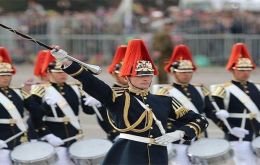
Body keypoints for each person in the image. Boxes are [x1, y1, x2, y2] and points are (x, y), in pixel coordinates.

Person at [50, 39, 208, 165]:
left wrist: (180, 133)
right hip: (129, 154)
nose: (145, 79)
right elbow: (92, 82)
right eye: (139, 75)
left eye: (148, 75)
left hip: (158, 156)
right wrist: (66, 62)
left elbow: (200, 120)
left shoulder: (165, 101)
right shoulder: (117, 98)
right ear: (127, 77)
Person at [27, 50, 98, 164]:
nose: (63, 75)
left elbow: (88, 111)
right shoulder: (40, 89)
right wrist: (47, 135)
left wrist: (97, 103)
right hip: (55, 139)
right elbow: (34, 116)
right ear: (49, 72)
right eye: (58, 72)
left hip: (75, 137)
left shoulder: (76, 88)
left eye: (64, 72)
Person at [156, 44, 214, 164]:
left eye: (189, 71)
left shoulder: (201, 89)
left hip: (201, 136)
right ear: (173, 72)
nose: (186, 74)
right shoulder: (165, 92)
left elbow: (210, 111)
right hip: (178, 138)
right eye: (182, 72)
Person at [210, 43, 260, 165]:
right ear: (233, 69)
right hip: (237, 136)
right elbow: (214, 113)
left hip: (257, 135)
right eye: (241, 70)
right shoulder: (222, 89)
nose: (245, 73)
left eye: (248, 69)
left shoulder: (257, 87)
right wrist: (230, 129)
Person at [0, 47, 32, 164]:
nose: (6, 78)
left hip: (18, 140)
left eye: (8, 75)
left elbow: (36, 112)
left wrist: (29, 95)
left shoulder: (18, 92)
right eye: (2, 75)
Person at [95, 45, 128, 142]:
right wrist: (115, 134)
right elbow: (103, 118)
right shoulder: (109, 93)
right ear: (114, 73)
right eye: (122, 74)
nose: (126, 76)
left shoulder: (139, 91)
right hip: (118, 138)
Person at [152, 19, 174, 84]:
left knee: (163, 70)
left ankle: (162, 84)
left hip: (164, 54)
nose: (170, 27)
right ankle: (163, 84)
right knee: (163, 71)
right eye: (168, 25)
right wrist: (159, 50)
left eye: (170, 25)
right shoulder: (163, 34)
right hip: (163, 55)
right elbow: (163, 44)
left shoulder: (164, 33)